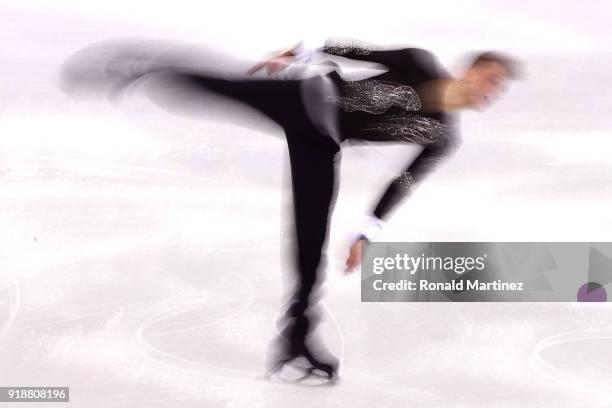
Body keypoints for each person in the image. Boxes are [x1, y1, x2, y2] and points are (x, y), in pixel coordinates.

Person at [60, 37, 521, 382]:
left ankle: (295, 339)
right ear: (470, 70)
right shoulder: (418, 62)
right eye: (491, 79)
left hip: (320, 144)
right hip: (305, 98)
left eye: (498, 88)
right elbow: (353, 48)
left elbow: (401, 181)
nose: (492, 91)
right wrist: (299, 54)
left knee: (310, 247)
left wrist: (366, 233)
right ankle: (136, 69)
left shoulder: (441, 135)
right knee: (220, 85)